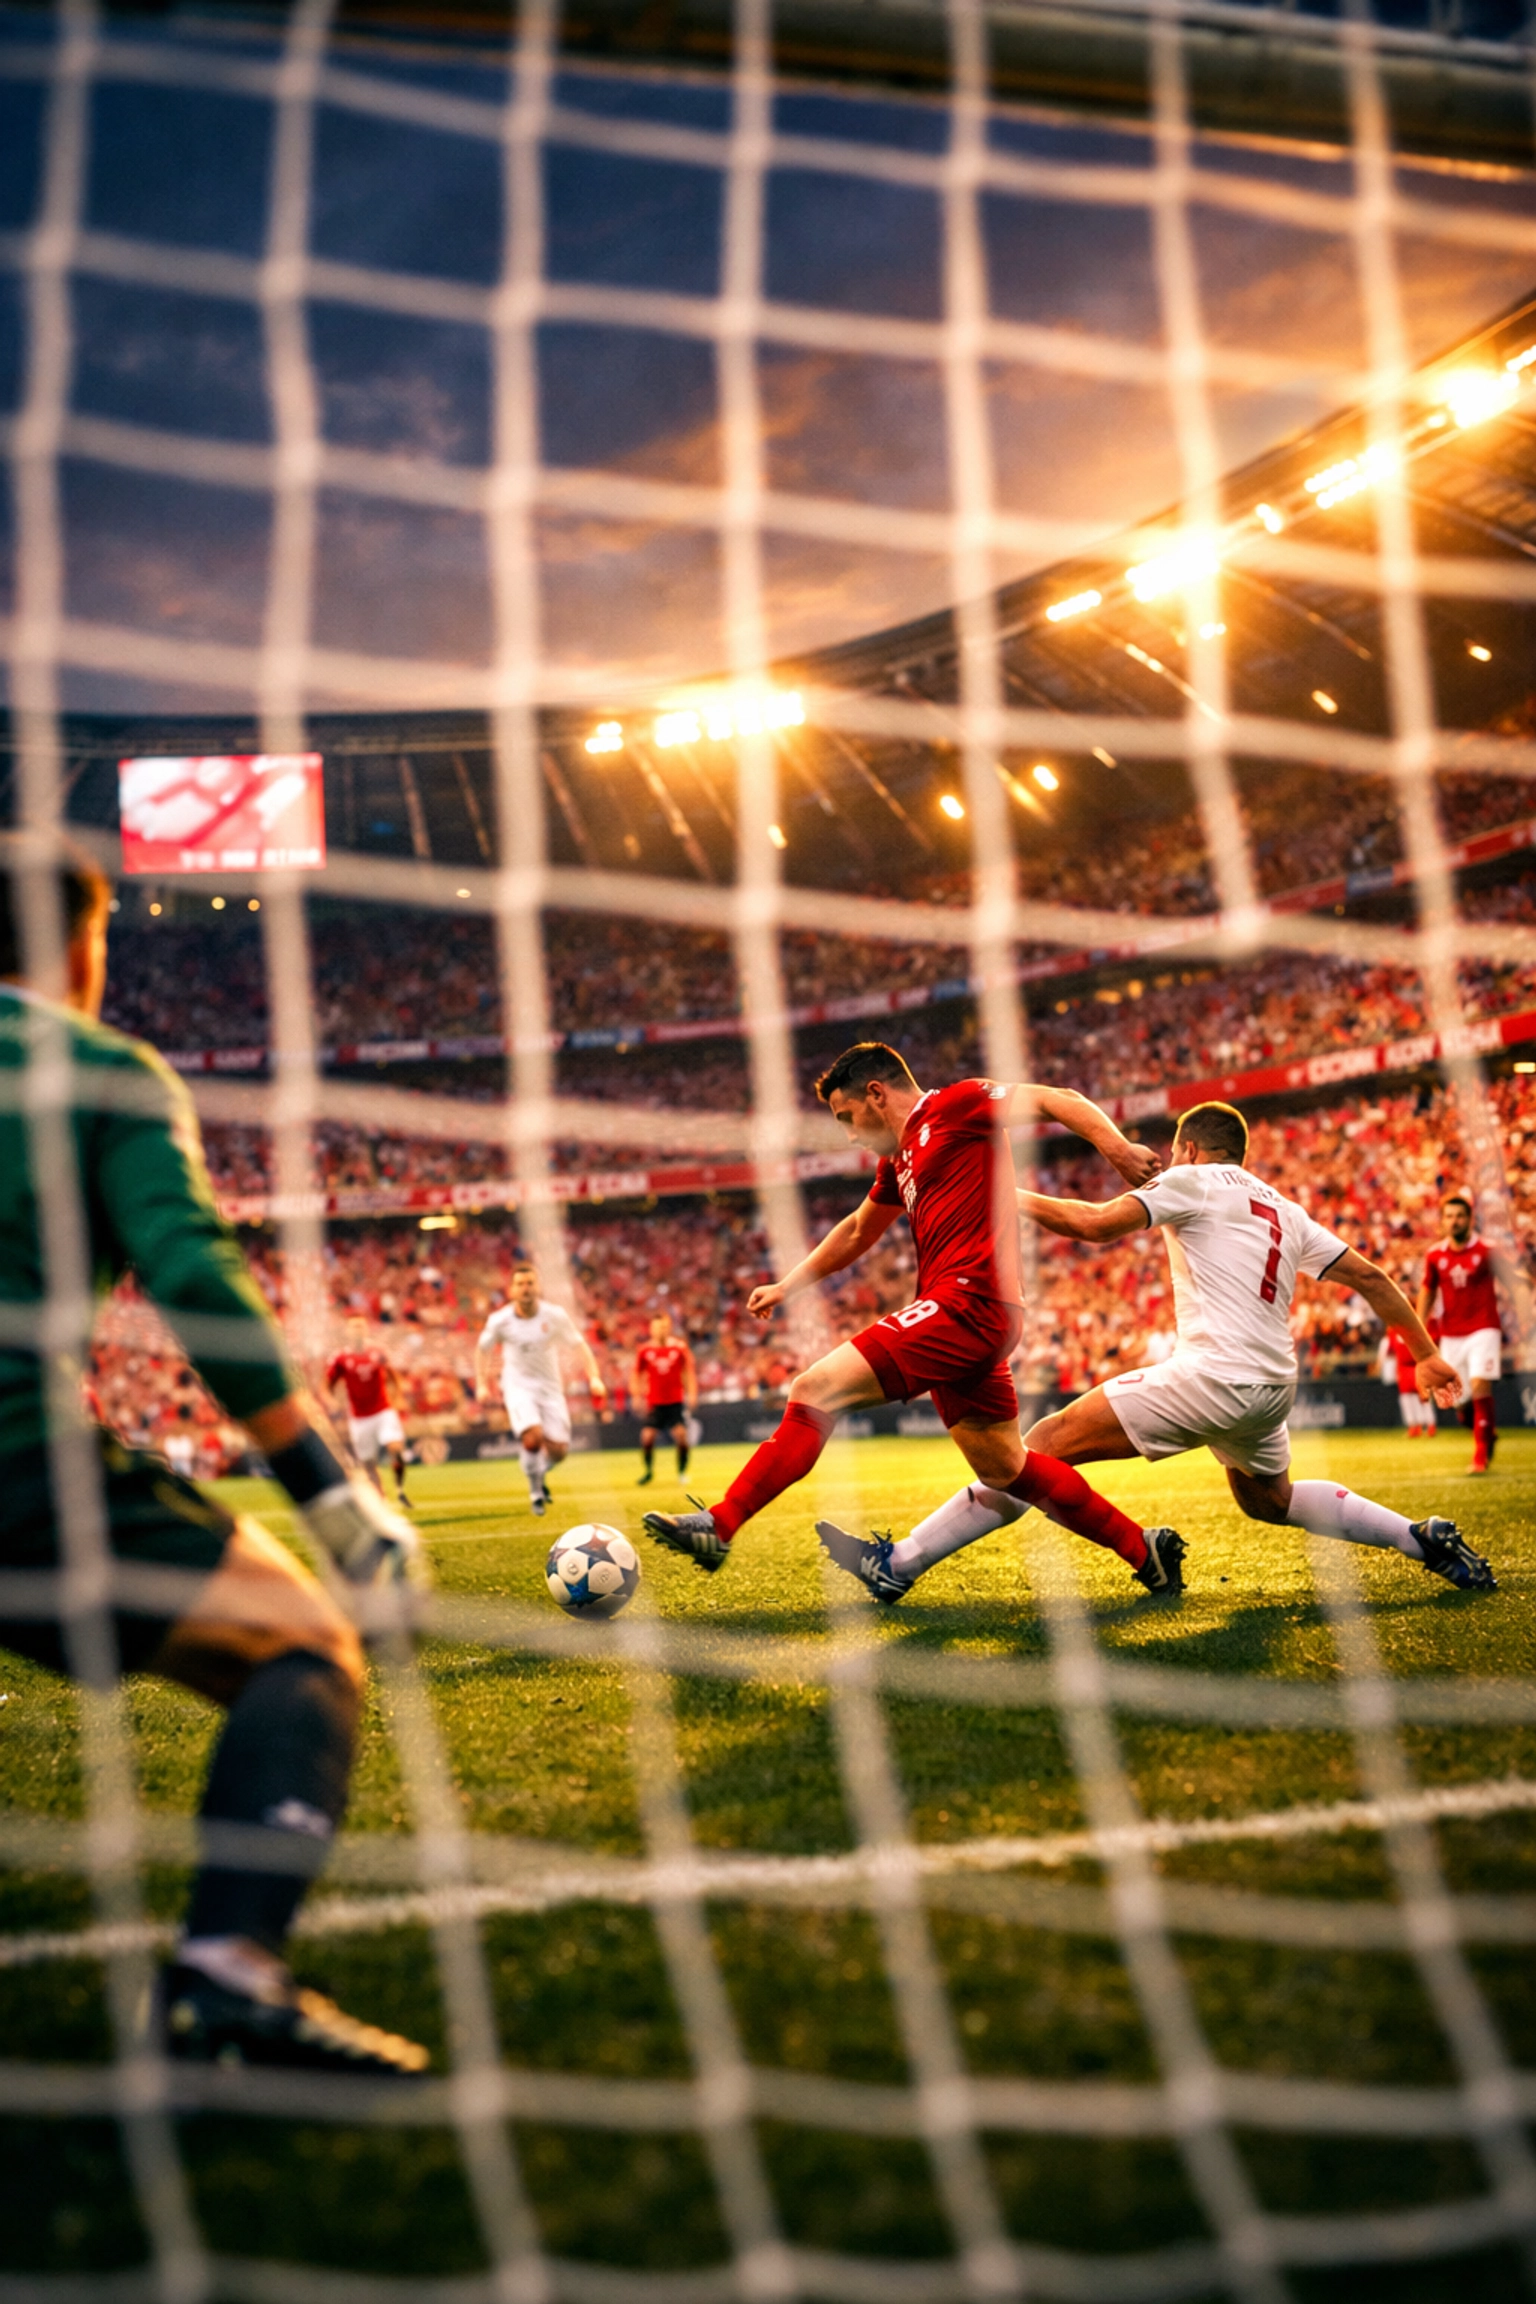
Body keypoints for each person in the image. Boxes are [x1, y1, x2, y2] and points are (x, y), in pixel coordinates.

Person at [0, 843, 429, 2074]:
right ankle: (228, 1970)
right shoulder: (94, 1067)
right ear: (85, 949)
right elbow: (191, 1274)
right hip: (15, 1454)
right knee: (302, 1645)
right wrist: (330, 1498)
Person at [853, 1099, 1490, 1598]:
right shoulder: (1287, 1210)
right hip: (1271, 1391)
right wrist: (1425, 1352)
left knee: (1038, 1449)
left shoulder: (1193, 1182)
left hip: (1212, 1379)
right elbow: (1373, 1278)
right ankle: (1420, 1539)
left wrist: (997, 1194)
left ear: (1187, 1148)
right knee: (1270, 1501)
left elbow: (1092, 1224)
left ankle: (900, 1563)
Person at [646, 1042, 1185, 1594]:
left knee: (815, 1388)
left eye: (847, 1117)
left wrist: (1116, 1148)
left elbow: (1055, 1099)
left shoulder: (958, 1105)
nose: (849, 1134)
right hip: (970, 1312)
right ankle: (1147, 1552)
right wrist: (789, 1285)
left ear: (876, 1094)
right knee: (1005, 1469)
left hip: (970, 1303)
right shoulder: (897, 1159)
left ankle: (722, 1523)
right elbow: (859, 1230)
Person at [474, 1263, 607, 1515]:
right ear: (511, 1290)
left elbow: (579, 1346)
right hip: (517, 1386)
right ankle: (535, 1492)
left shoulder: (554, 1316)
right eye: (520, 1284)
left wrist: (594, 1377)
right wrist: (482, 1383)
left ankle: (540, 1473)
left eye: (530, 1283)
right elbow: (482, 1350)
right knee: (533, 1437)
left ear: (538, 1287)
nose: (525, 1289)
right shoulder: (500, 1320)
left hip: (550, 1388)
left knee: (558, 1452)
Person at [1418, 1191, 1532, 1475]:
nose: (1454, 1221)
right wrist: (1419, 1327)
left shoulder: (1487, 1250)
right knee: (1459, 1402)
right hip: (1451, 1335)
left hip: (1484, 1328)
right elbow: (1427, 1291)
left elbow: (1516, 1283)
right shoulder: (1434, 1255)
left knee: (1481, 1385)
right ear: (1442, 1222)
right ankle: (1487, 1431)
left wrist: (1525, 1319)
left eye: (1460, 1216)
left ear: (1470, 1220)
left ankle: (1480, 1455)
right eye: (1449, 1216)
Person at [326, 1315, 412, 1508]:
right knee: (368, 1464)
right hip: (359, 1418)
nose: (358, 1329)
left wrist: (398, 1397)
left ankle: (399, 1489)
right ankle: (380, 1498)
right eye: (354, 1326)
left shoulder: (378, 1353)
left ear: (366, 1330)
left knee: (395, 1449)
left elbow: (393, 1377)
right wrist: (330, 1400)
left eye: (361, 1326)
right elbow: (327, 1384)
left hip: (383, 1411)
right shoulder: (341, 1358)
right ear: (347, 1331)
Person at [633, 1310, 697, 1485]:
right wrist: (636, 1395)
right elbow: (636, 1374)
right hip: (655, 1402)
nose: (660, 1330)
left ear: (669, 1328)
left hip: (675, 1402)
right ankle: (648, 1471)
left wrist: (692, 1393)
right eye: (657, 1327)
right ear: (651, 1329)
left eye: (663, 1327)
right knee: (646, 1437)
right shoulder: (645, 1350)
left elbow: (688, 1372)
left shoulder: (679, 1347)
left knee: (682, 1437)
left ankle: (682, 1473)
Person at [1382, 1321, 1436, 1437]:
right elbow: (1390, 1351)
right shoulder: (1393, 1332)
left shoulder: (1415, 1327)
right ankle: (1413, 1425)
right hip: (1403, 1367)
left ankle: (1430, 1424)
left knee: (1423, 1397)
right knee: (1406, 1398)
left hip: (1417, 1365)